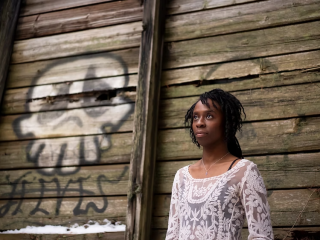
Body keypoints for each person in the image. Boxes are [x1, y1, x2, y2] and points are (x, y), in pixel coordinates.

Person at [165, 89, 273, 240]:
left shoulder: (244, 171)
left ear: (227, 121)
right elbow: (172, 235)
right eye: (195, 117)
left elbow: (262, 236)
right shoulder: (182, 176)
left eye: (209, 116)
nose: (200, 123)